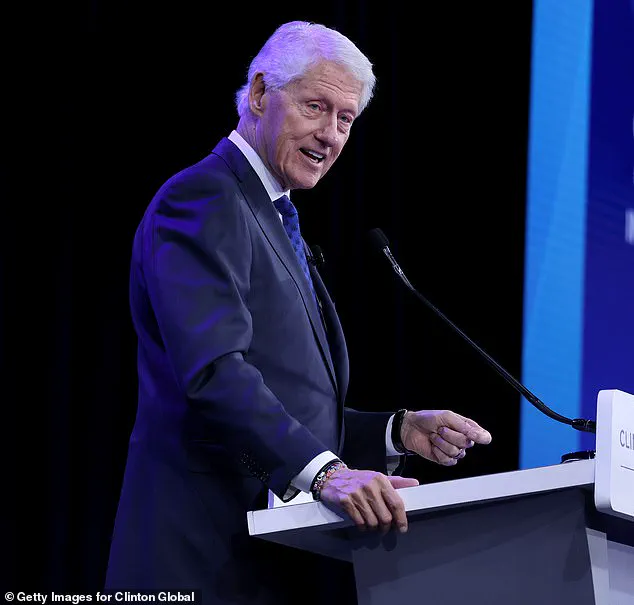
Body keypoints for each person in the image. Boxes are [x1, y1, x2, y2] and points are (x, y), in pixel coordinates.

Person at [104, 20, 492, 604]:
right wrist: (327, 473)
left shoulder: (272, 213)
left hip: (262, 564)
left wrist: (394, 431)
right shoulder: (204, 197)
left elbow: (293, 400)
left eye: (346, 119)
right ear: (261, 93)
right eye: (316, 107)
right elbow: (214, 372)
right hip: (195, 556)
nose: (330, 135)